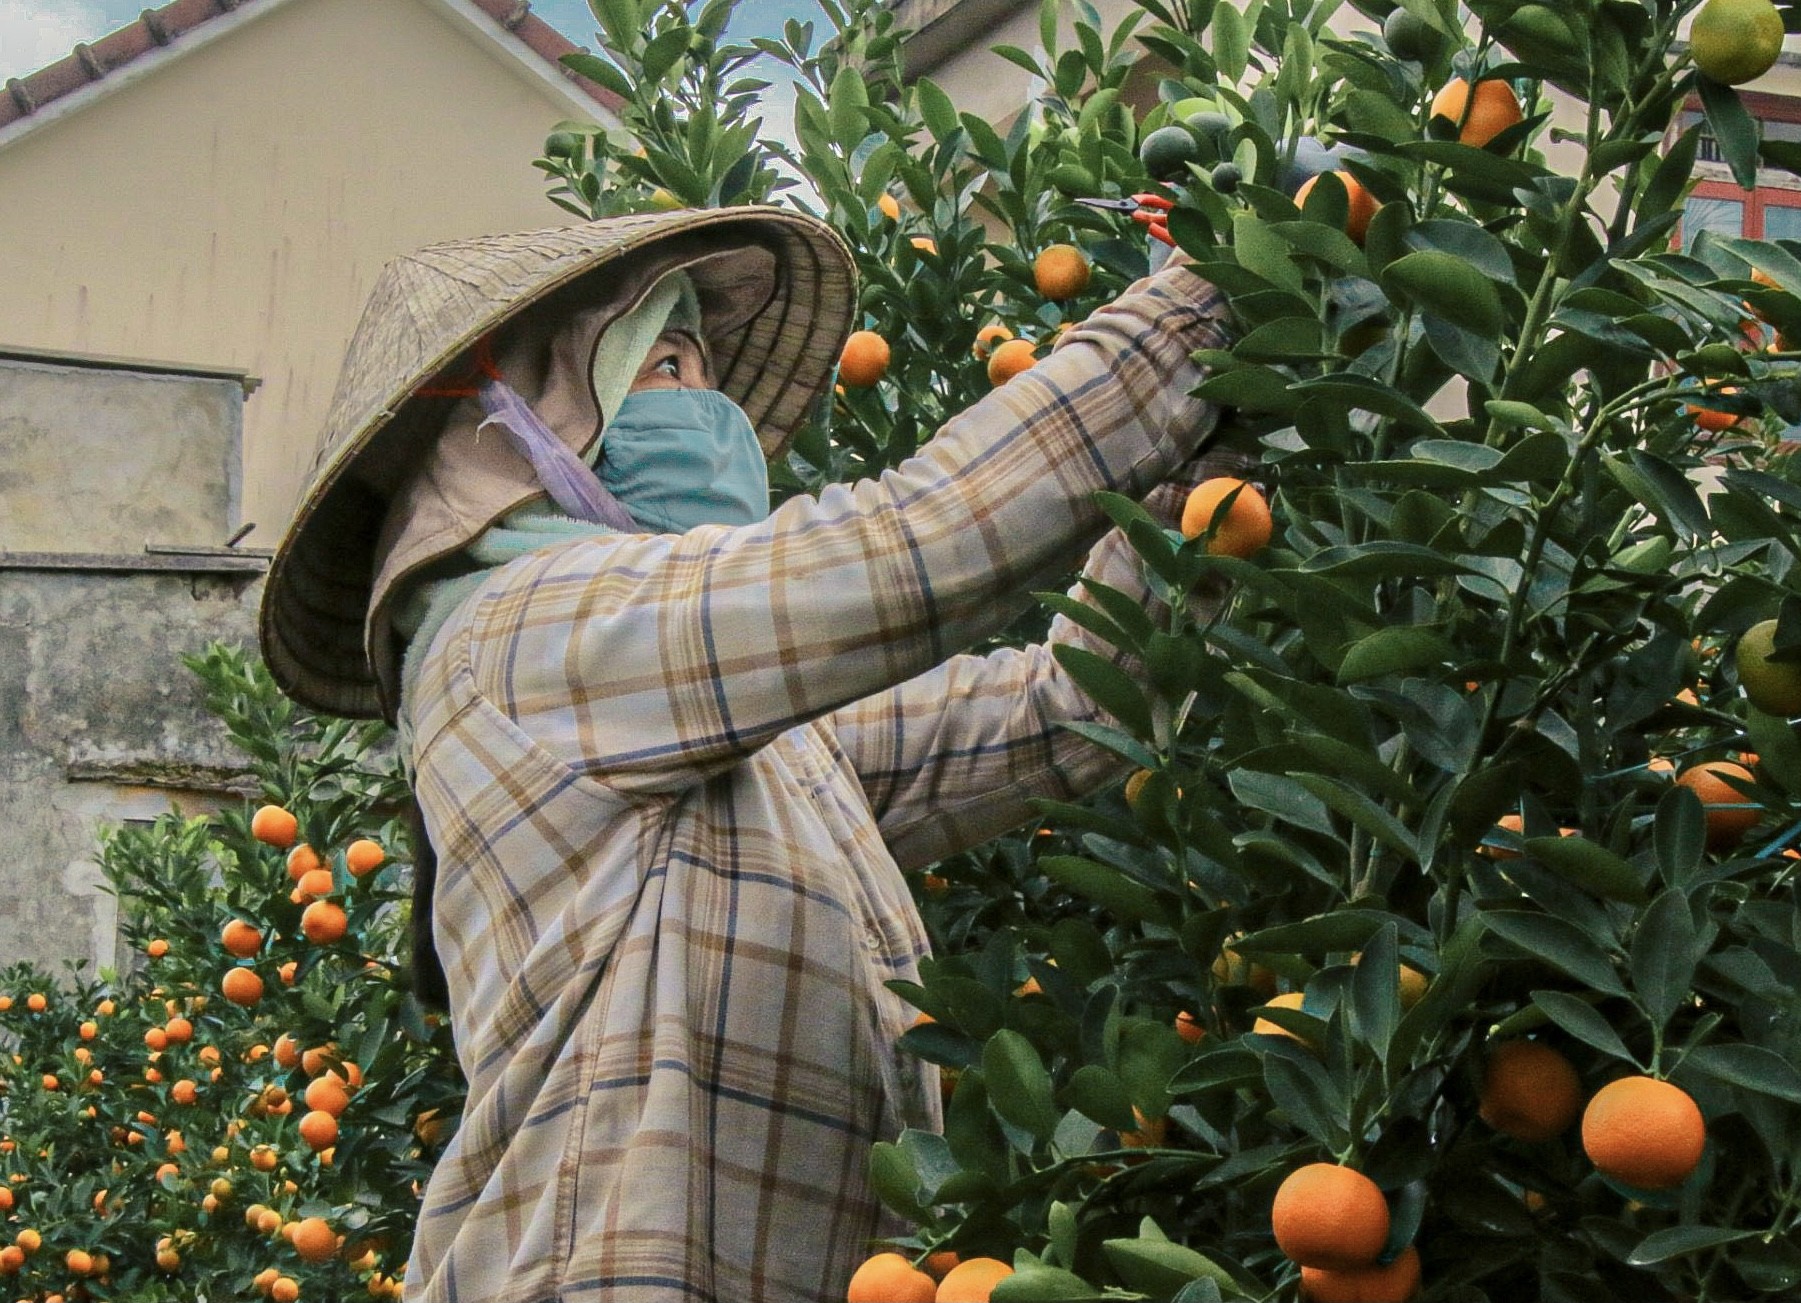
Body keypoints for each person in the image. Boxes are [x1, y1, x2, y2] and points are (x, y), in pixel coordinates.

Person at [260, 205, 1234, 1302]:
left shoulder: (740, 734)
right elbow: (916, 546)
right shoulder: (519, 641)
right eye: (667, 363)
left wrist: (1208, 479)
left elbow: (1060, 716)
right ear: (525, 424)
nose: (710, 408)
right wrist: (1205, 301)